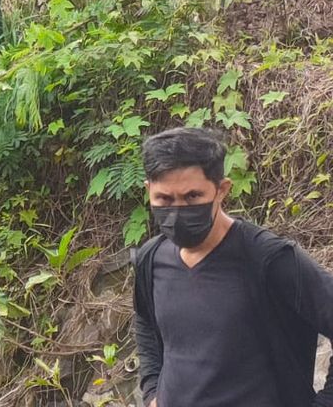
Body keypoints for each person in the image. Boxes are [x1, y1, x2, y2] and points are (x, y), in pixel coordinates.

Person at [133, 127, 333, 407]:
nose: (177, 212)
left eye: (192, 197)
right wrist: (152, 389)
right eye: (164, 200)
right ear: (148, 191)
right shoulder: (151, 259)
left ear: (221, 189)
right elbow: (144, 321)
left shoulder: (269, 260)